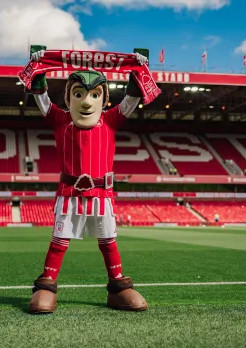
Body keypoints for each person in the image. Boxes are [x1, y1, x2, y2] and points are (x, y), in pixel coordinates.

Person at [24, 47, 156, 314]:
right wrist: (38, 66)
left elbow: (131, 98)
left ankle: (118, 287)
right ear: (69, 98)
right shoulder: (60, 119)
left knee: (108, 240)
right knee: (59, 239)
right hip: (70, 192)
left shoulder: (110, 121)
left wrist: (137, 68)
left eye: (95, 95)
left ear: (104, 99)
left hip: (102, 195)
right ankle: (46, 285)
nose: (86, 102)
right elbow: (41, 96)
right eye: (79, 94)